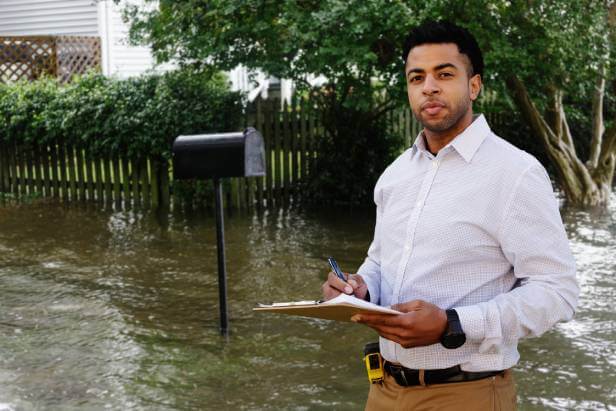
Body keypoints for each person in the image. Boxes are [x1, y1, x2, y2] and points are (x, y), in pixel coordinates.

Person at [321, 20, 578, 410]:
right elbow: (380, 259)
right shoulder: (395, 175)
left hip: (467, 393)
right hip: (383, 389)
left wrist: (453, 324)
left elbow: (558, 292)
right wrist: (359, 289)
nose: (429, 87)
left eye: (444, 74)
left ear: (474, 85)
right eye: (416, 77)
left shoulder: (515, 173)